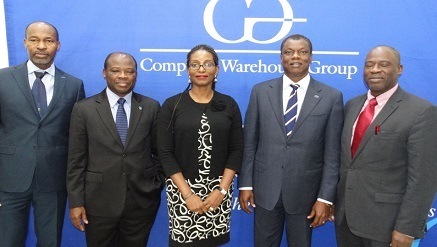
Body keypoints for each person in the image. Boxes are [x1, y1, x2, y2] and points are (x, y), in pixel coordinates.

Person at [238, 34, 344, 246]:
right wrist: (245, 184)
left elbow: (332, 155)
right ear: (281, 57)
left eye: (302, 52)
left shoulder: (331, 97)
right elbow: (249, 144)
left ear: (311, 57)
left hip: (306, 195)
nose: (295, 56)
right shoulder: (260, 92)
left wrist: (324, 198)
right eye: (289, 52)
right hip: (265, 191)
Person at [335, 45, 437, 247]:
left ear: (399, 69)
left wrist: (407, 228)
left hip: (387, 226)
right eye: (369, 65)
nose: (374, 70)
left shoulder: (421, 111)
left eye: (383, 64)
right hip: (346, 220)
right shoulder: (352, 106)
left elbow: (423, 178)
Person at [0, 21, 85, 246]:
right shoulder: (3, 79)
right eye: (35, 40)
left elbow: (77, 137)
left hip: (53, 179)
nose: (41, 46)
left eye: (48, 41)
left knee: (50, 242)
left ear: (58, 45)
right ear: (25, 42)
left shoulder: (74, 85)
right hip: (9, 179)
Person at [66, 52, 164, 246]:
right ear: (104, 73)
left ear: (136, 74)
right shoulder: (83, 109)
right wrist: (76, 202)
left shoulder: (151, 106)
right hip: (98, 202)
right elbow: (76, 160)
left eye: (129, 71)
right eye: (115, 70)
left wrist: (155, 183)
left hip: (141, 201)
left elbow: (160, 152)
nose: (123, 76)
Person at [156, 44, 244, 246]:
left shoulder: (229, 104)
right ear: (188, 70)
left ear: (217, 70)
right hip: (182, 193)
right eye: (195, 64)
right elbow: (165, 152)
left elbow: (237, 150)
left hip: (218, 194)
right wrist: (187, 194)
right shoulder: (172, 105)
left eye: (207, 64)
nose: (201, 69)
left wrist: (220, 191)